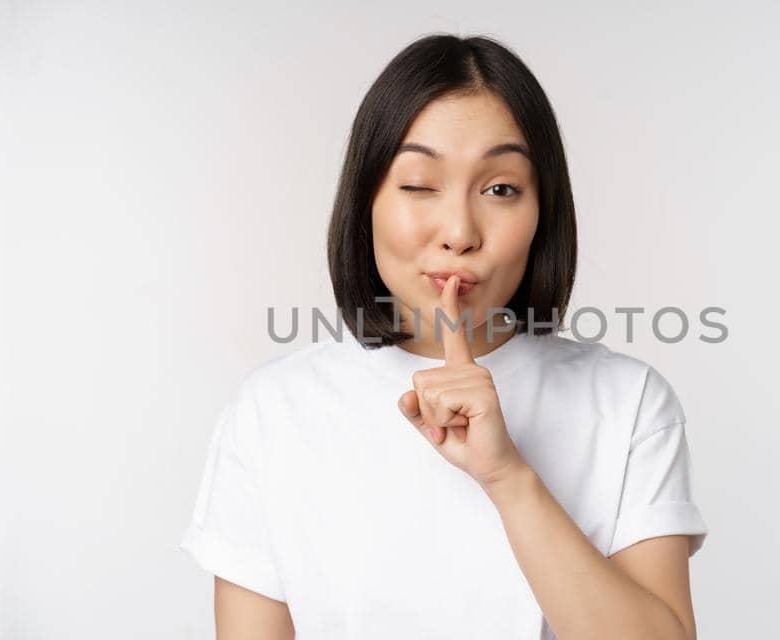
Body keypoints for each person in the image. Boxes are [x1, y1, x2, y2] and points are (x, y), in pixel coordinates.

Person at [180, 33, 709, 639]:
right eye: (418, 184)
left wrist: (507, 477)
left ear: (543, 211)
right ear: (366, 201)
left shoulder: (628, 403)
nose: (459, 231)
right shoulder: (273, 411)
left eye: (500, 188)